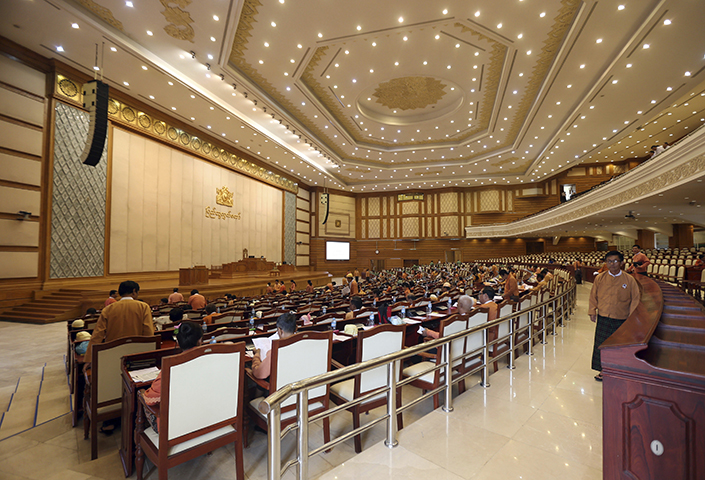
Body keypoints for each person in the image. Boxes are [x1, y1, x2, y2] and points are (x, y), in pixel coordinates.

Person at [589, 251, 641, 382]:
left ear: (622, 262)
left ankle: (618, 369)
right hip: (604, 316)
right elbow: (593, 296)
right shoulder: (599, 278)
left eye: (615, 261)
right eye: (609, 261)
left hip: (621, 318)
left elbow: (635, 299)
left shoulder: (629, 280)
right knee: (601, 345)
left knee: (618, 346)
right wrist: (592, 310)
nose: (612, 264)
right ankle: (603, 369)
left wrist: (631, 317)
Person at [142, 321, 203, 431]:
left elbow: (150, 399)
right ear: (200, 340)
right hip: (203, 418)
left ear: (178, 342)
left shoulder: (170, 368)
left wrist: (143, 393)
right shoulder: (212, 360)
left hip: (174, 427)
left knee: (142, 395)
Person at [85, 280, 154, 361]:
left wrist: (89, 358)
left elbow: (97, 334)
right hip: (136, 351)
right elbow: (148, 332)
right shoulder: (144, 307)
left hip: (112, 351)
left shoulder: (108, 309)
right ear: (134, 291)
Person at [251, 312, 297, 380]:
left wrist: (257, 355)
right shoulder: (304, 344)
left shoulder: (275, 351)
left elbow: (259, 373)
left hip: (280, 388)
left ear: (280, 331)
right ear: (296, 328)